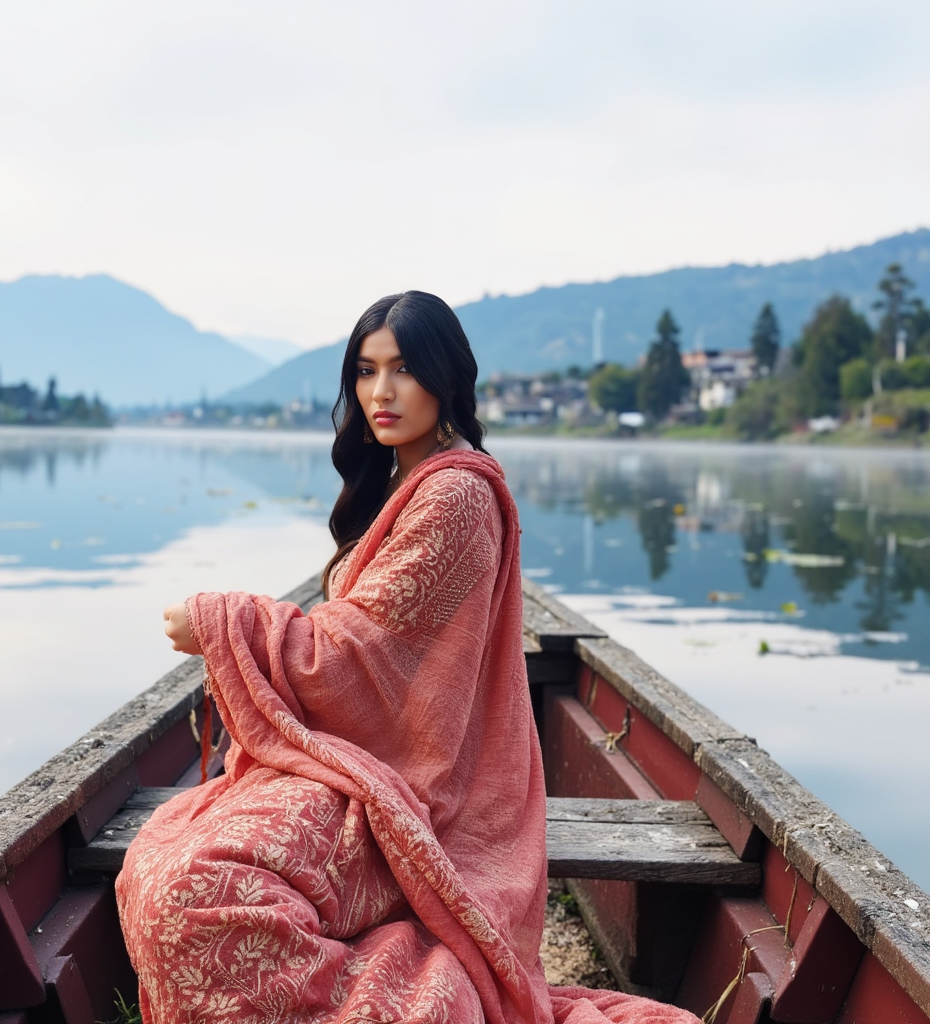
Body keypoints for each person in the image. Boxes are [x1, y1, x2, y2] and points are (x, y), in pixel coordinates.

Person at [116, 291, 699, 1024]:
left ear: (446, 378)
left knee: (193, 885)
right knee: (155, 856)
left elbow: (364, 655)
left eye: (403, 370)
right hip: (361, 760)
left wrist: (222, 621)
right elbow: (366, 643)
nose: (380, 393)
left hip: (415, 784)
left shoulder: (454, 497)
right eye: (365, 371)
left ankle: (384, 997)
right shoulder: (404, 483)